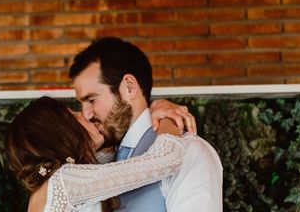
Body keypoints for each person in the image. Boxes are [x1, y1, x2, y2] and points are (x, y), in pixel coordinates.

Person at [70, 37, 223, 211]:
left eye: (91, 99)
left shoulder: (189, 151)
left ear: (128, 87)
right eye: (80, 104)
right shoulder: (98, 163)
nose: (86, 114)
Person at [5, 96, 187, 212]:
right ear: (59, 132)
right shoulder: (66, 181)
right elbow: (168, 159)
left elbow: (107, 159)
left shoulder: (48, 190)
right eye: (73, 115)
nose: (85, 114)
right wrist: (164, 117)